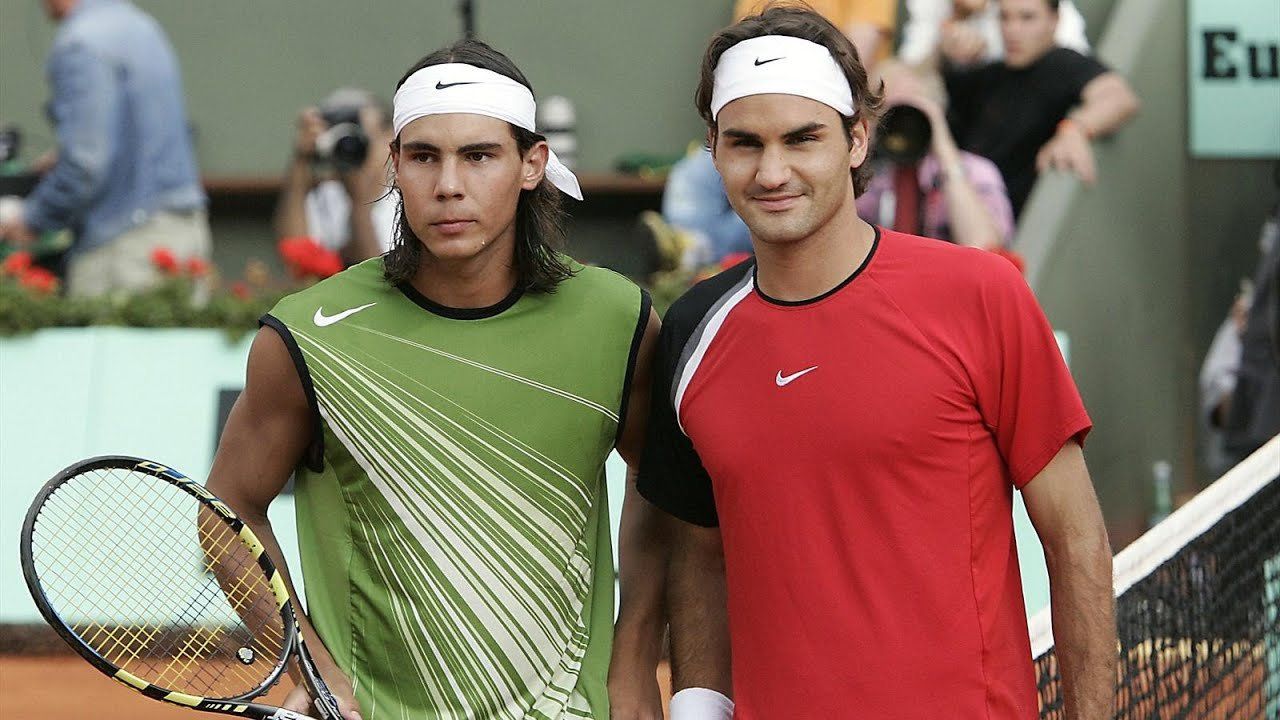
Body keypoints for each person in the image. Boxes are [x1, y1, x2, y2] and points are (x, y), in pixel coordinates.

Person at [632, 6, 1115, 719]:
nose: (773, 171)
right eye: (744, 143)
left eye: (803, 139)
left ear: (858, 139)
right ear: (713, 148)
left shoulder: (981, 295)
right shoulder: (693, 328)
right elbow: (702, 554)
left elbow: (1076, 542)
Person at [205, 39, 662, 719]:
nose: (449, 184)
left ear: (532, 164)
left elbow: (665, 499)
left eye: (479, 155)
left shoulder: (619, 321)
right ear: (392, 165)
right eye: (423, 157)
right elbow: (224, 514)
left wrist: (630, 672)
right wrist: (312, 666)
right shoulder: (307, 334)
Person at [0, 0, 209, 296]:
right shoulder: (140, 26)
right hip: (180, 231)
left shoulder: (80, 43)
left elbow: (86, 163)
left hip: (125, 245)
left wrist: (32, 217)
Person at [944, 0, 1139, 217]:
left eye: (1027, 18)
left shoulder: (1063, 64)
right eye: (1005, 17)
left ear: (1054, 20)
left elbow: (1119, 97)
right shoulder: (990, 74)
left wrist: (1073, 129)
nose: (1012, 30)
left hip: (1006, 224)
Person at [857, 61, 1014, 249]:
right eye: (888, 114)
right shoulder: (874, 180)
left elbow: (983, 245)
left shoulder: (976, 171)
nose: (901, 124)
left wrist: (944, 149)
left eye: (910, 112)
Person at [274, 88, 398, 263]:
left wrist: (358, 203)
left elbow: (381, 277)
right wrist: (301, 161)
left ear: (391, 137)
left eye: (361, 136)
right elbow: (297, 258)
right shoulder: (328, 194)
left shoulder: (404, 199)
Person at [899, 0, 1088, 68]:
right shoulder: (929, 4)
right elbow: (911, 66)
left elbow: (1078, 70)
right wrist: (942, 51)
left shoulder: (1043, 8)